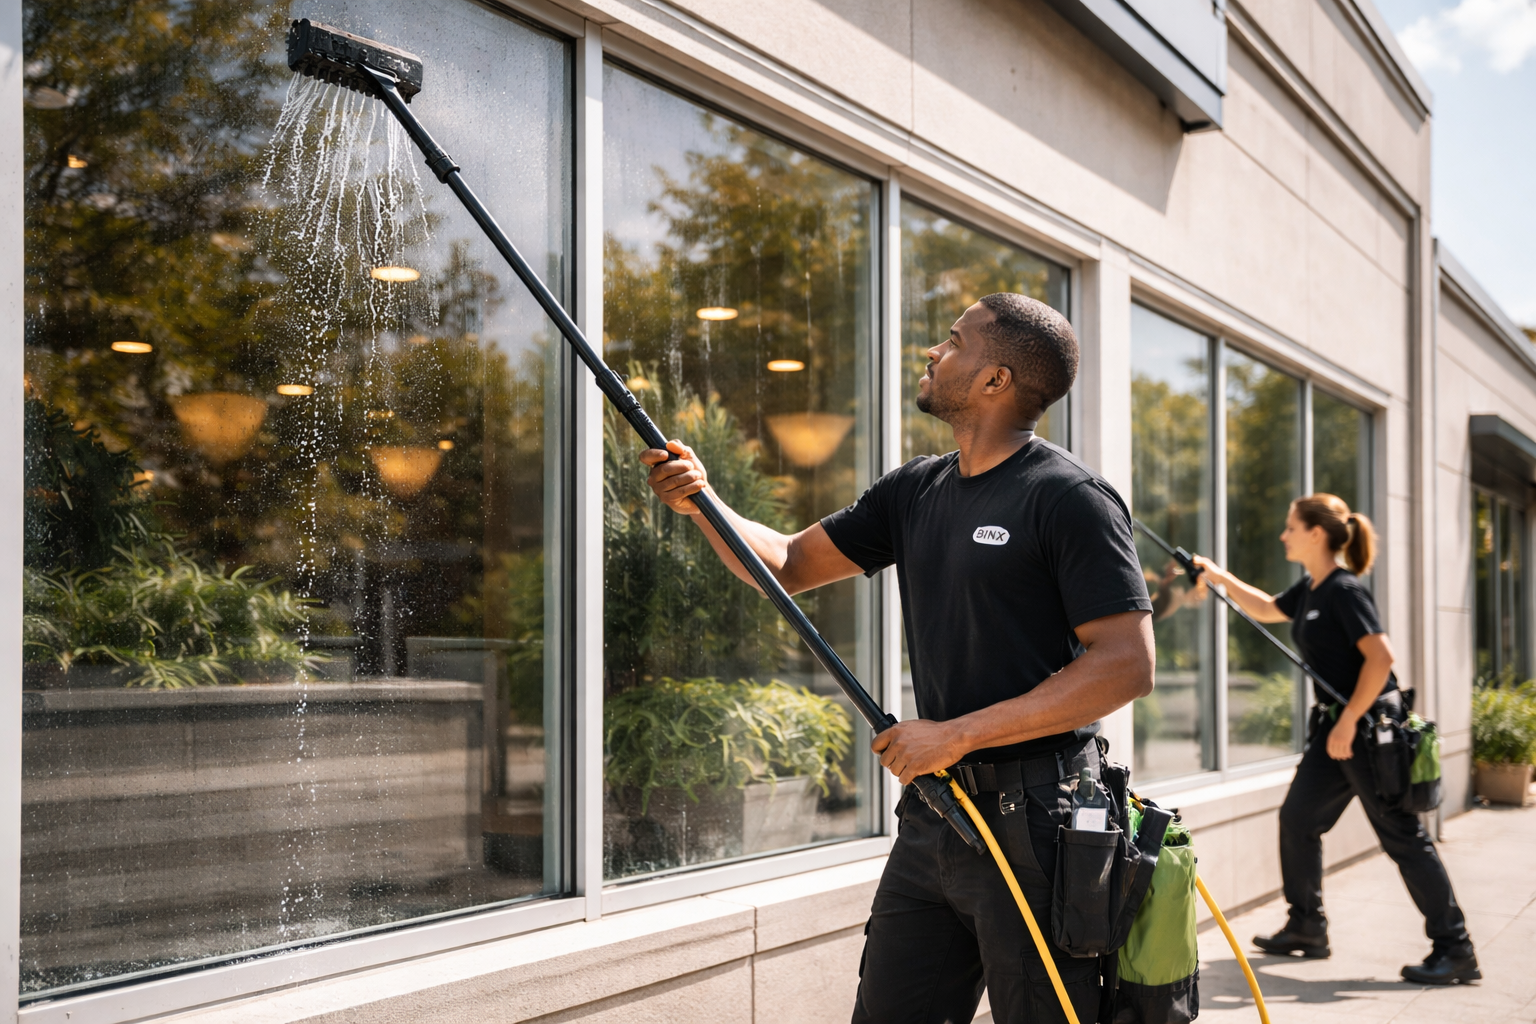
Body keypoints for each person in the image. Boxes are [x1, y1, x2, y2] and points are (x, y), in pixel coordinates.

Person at [641, 293, 1155, 1023]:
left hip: (1040, 820)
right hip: (937, 818)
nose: (932, 352)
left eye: (953, 340)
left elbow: (1125, 666)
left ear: (994, 380)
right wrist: (703, 503)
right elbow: (786, 564)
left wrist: (955, 733)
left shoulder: (1068, 497)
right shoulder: (916, 489)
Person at [1192, 495, 1478, 985]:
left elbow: (1381, 659)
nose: (1284, 535)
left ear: (1316, 533)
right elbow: (1264, 606)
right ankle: (1307, 926)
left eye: (1290, 527)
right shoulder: (1311, 589)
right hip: (1334, 733)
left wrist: (1348, 721)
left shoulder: (1344, 591)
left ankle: (1456, 949)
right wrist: (1217, 575)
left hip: (1366, 734)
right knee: (1298, 819)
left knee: (1402, 837)